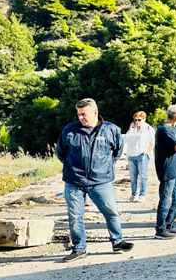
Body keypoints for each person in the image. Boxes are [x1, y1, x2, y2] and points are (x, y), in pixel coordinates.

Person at [55, 98, 133, 263]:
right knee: (75, 216)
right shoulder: (69, 130)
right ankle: (79, 248)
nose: (81, 118)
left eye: (84, 114)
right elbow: (61, 153)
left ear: (95, 113)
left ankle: (117, 241)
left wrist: (105, 167)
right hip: (74, 181)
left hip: (101, 181)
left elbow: (117, 151)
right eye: (79, 114)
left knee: (111, 212)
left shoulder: (111, 129)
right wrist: (74, 168)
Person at [154, 104, 176, 239]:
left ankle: (169, 224)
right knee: (166, 199)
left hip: (175, 169)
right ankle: (160, 229)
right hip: (166, 169)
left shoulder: (173, 129)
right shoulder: (165, 130)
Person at [123, 110, 155, 201]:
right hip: (131, 154)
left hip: (142, 155)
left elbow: (152, 142)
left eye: (139, 120)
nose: (137, 122)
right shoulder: (132, 127)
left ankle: (142, 194)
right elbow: (127, 140)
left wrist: (146, 153)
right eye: (135, 120)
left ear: (144, 119)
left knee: (143, 176)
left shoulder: (148, 128)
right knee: (133, 176)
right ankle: (134, 194)